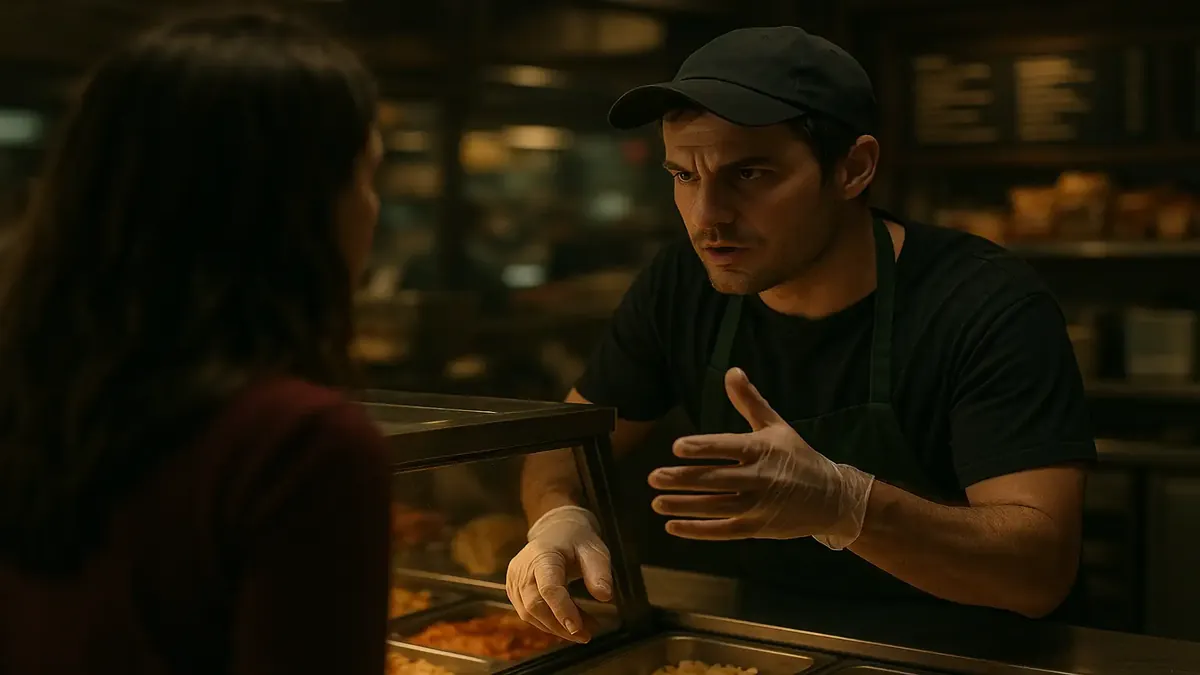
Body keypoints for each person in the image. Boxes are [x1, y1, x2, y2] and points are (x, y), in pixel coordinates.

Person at [507, 26, 1097, 642]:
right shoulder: (681, 285)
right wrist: (558, 516)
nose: (708, 217)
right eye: (684, 176)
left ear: (854, 168)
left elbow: (1038, 571)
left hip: (969, 651)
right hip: (767, 640)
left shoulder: (985, 303)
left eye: (752, 174)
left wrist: (848, 505)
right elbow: (564, 444)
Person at [0, 11, 389, 674]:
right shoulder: (300, 445)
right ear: (293, 205)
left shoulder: (31, 390)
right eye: (366, 174)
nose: (371, 206)